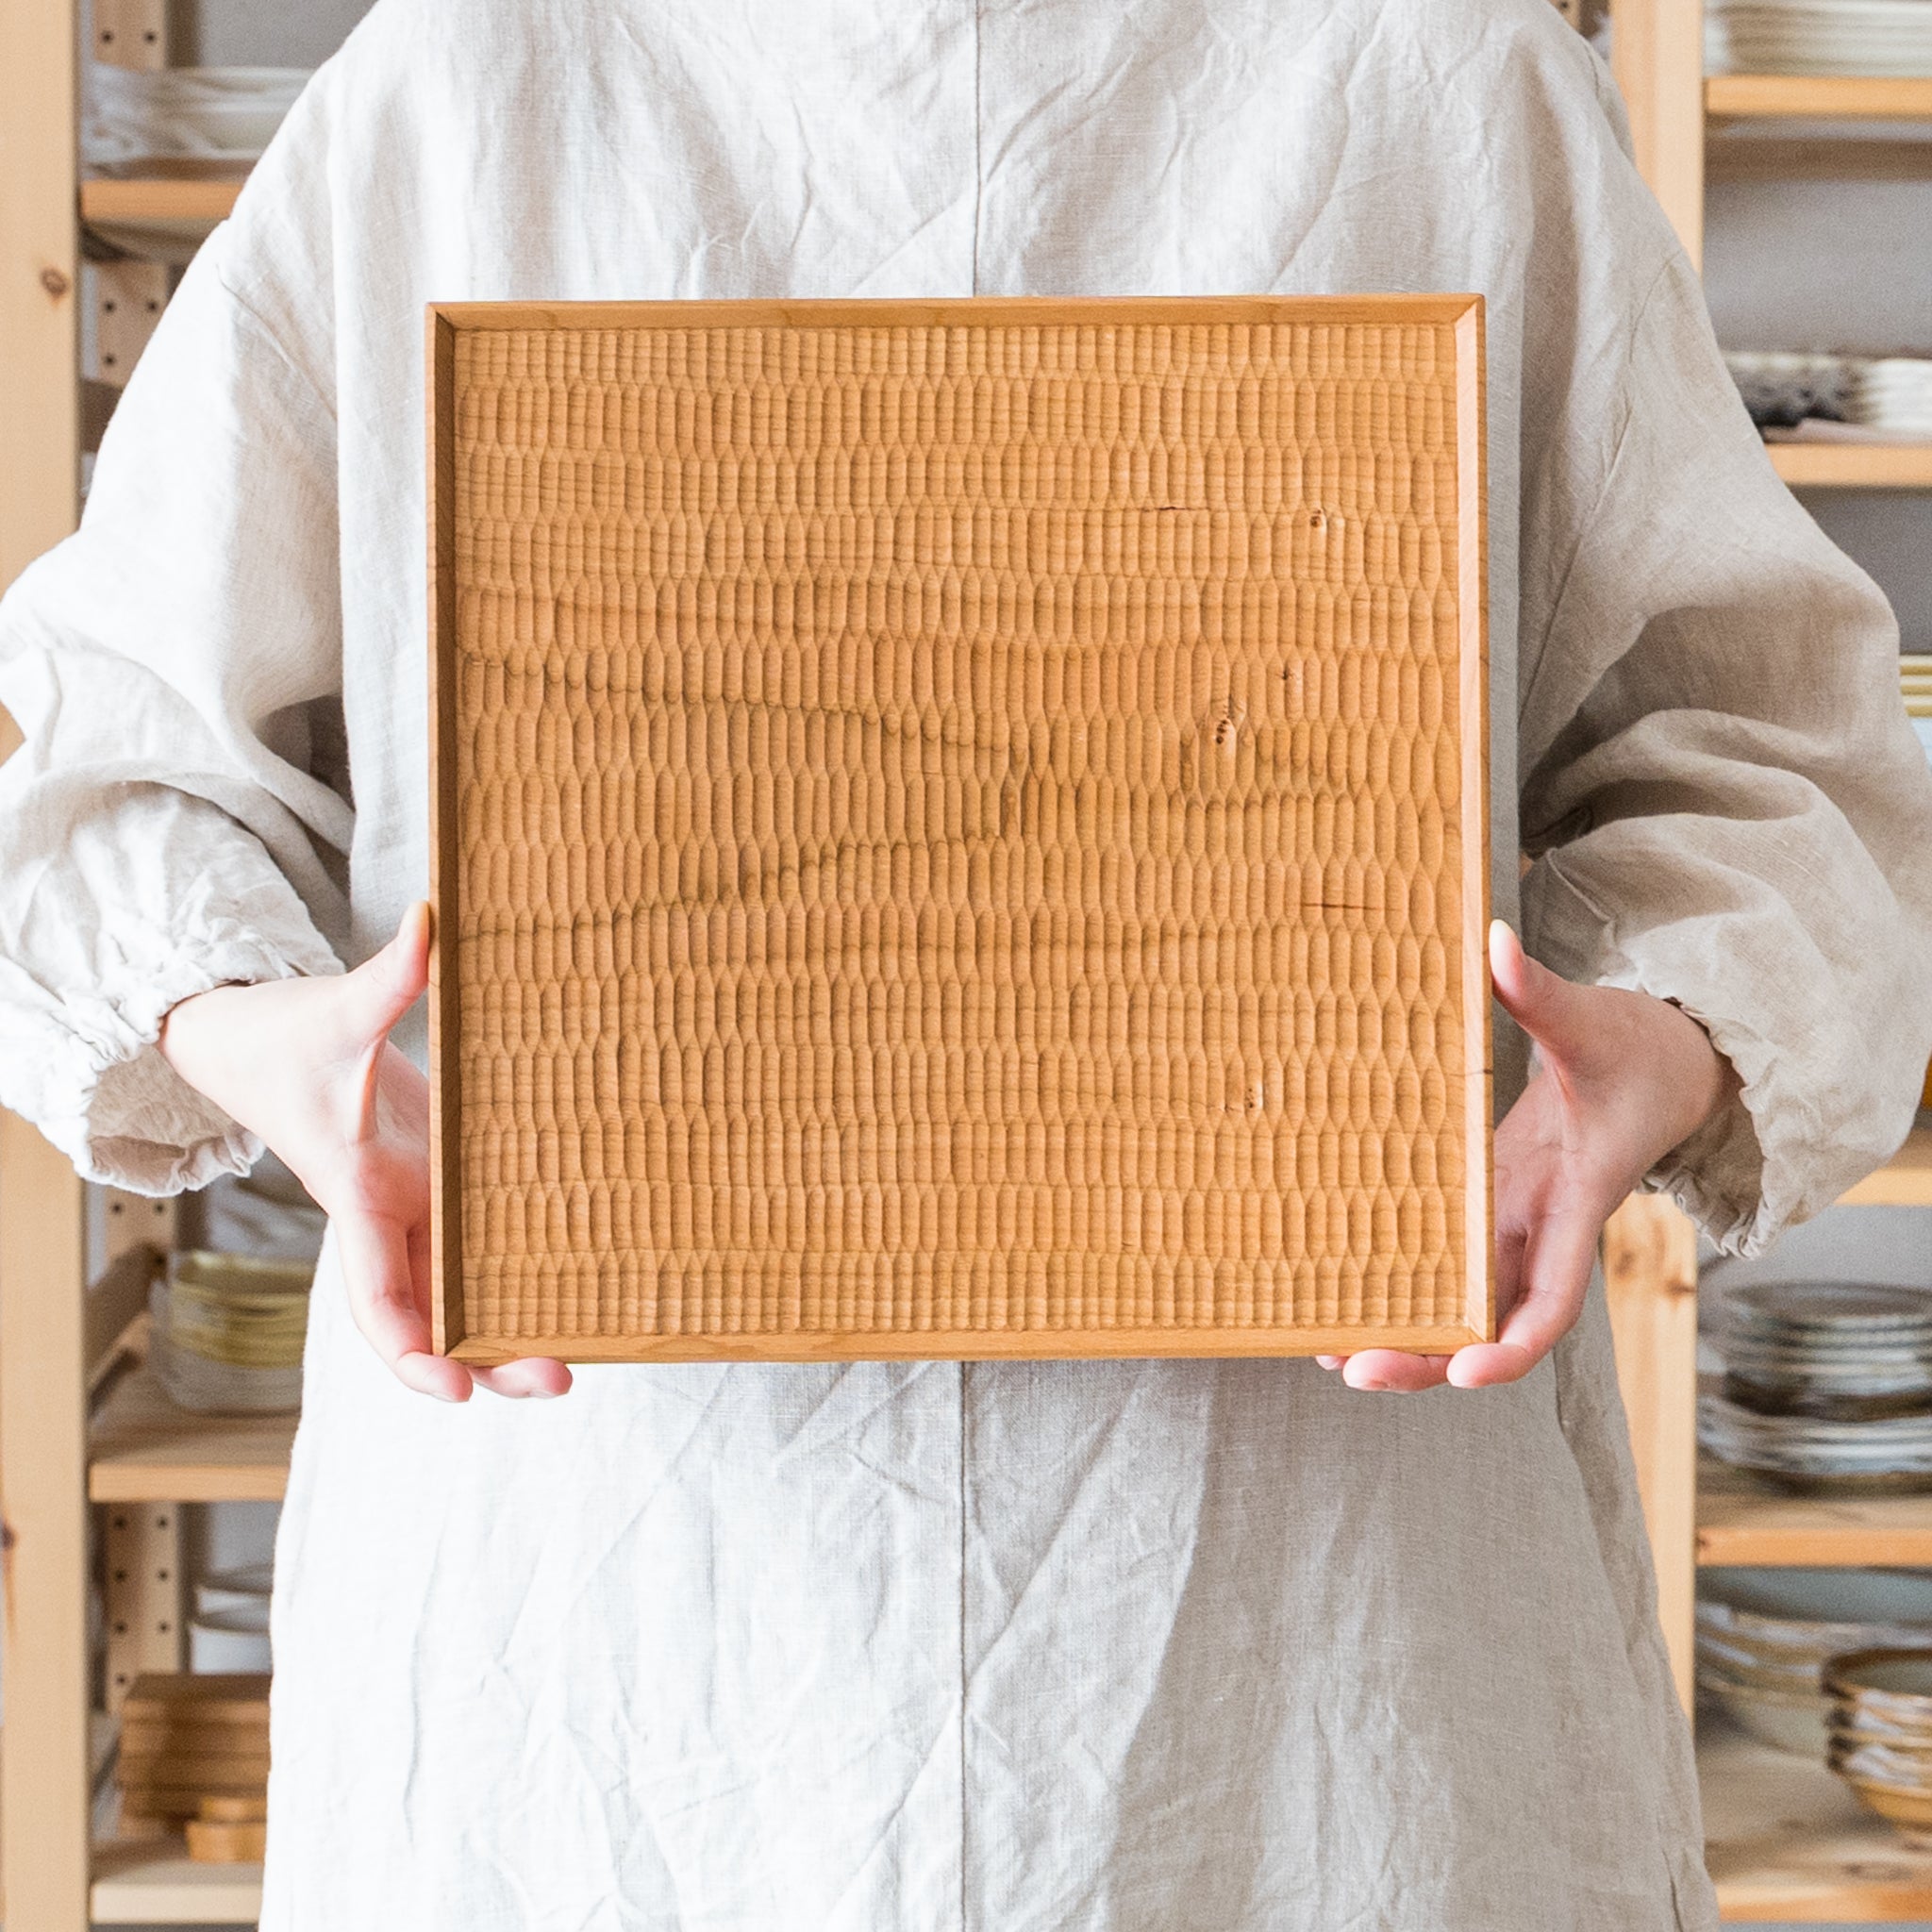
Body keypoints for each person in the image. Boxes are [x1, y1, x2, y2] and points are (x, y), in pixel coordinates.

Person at [4, 0, 1929, 1924]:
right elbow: (119, 761)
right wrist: (285, 1054)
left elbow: (1765, 748)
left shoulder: (1437, 70)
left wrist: (1654, 1047)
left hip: (1325, 1613)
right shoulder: (467, 77)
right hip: (610, 1614)